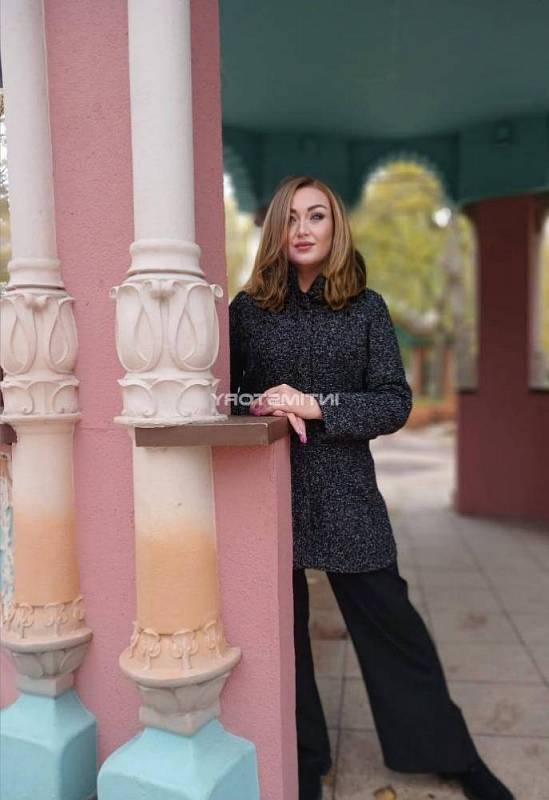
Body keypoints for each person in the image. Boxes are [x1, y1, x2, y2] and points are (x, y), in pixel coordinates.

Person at [228, 175, 514, 800]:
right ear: (275, 229)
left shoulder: (366, 309)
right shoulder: (248, 312)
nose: (303, 229)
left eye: (317, 216)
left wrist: (317, 405)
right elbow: (224, 397)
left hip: (347, 493)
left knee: (393, 627)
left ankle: (453, 755)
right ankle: (305, 762)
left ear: (336, 227)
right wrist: (262, 403)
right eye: (291, 217)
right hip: (270, 493)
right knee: (284, 636)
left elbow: (393, 402)